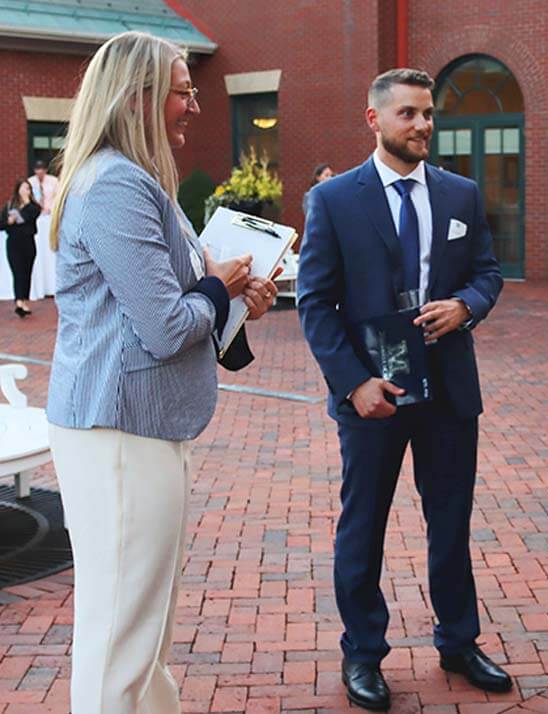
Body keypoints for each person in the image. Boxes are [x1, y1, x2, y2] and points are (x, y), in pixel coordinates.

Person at [46, 31, 279, 713]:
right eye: (184, 90)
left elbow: (178, 303)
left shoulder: (135, 178)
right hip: (118, 433)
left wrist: (233, 298)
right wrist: (218, 291)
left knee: (140, 629)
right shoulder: (117, 184)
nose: (194, 106)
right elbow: (168, 324)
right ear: (140, 97)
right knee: (122, 635)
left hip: (134, 428)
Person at [297, 68, 509, 711]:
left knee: (450, 522)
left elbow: (488, 272)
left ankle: (458, 641)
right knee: (363, 526)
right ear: (375, 119)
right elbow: (314, 303)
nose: (422, 125)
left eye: (427, 114)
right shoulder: (333, 201)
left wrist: (466, 307)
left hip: (448, 389)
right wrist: (355, 383)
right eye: (408, 114)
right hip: (373, 394)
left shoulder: (461, 194)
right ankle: (362, 653)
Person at [5, 178, 42, 316]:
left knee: (26, 272)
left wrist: (26, 204)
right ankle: (19, 302)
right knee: (17, 271)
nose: (26, 191)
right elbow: (2, 223)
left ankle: (24, 301)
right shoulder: (10, 205)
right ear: (17, 190)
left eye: (28, 188)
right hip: (13, 242)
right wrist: (9, 222)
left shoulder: (33, 206)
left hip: (28, 242)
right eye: (23, 188)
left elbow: (32, 214)